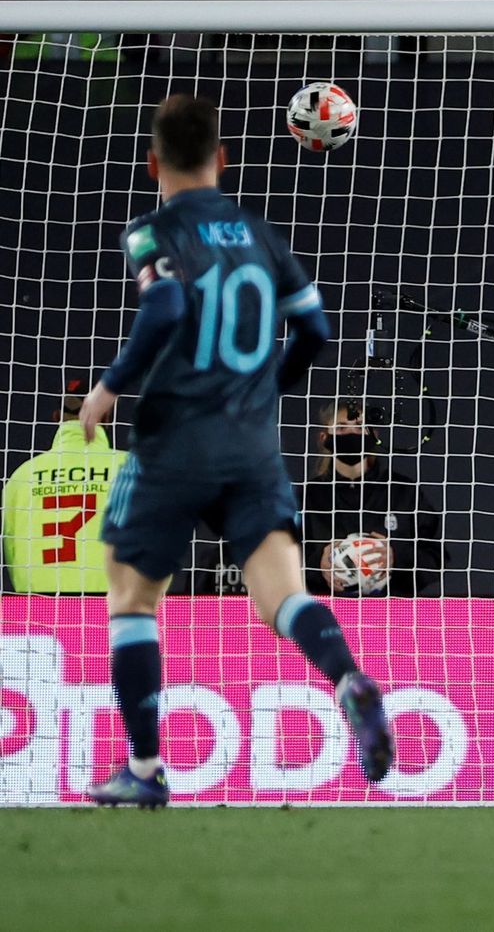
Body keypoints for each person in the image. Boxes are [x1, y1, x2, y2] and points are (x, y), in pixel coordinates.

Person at [76, 94, 392, 807]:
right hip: (252, 449)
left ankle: (148, 771)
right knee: (282, 597)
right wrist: (268, 392)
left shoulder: (151, 231)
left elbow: (165, 306)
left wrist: (109, 387)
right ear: (224, 160)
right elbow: (316, 329)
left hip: (173, 443)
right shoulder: (260, 236)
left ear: (154, 162)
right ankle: (346, 677)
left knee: (131, 600)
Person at [302, 399, 449, 597]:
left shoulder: (403, 491)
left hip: (391, 615)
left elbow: (436, 558)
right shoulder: (306, 497)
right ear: (324, 437)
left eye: (359, 426)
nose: (351, 434)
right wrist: (317, 566)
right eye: (341, 428)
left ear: (373, 435)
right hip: (324, 612)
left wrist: (396, 557)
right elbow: (278, 562)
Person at [2, 379, 129, 593]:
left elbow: (11, 550)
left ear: (56, 418)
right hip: (117, 611)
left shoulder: (21, 477)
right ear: (107, 417)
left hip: (39, 614)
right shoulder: (133, 469)